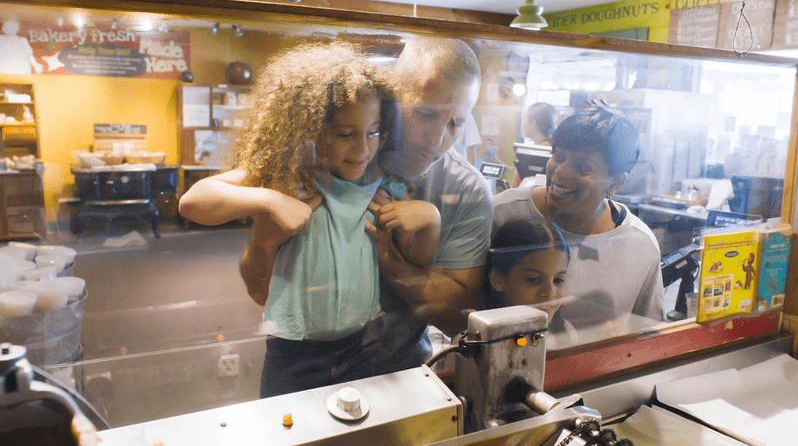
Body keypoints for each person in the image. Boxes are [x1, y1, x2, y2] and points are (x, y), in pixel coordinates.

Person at [178, 41, 441, 398]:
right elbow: (193, 202)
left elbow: (419, 256)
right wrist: (268, 198)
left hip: (364, 346)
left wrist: (431, 220)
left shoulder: (382, 179)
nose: (363, 148)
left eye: (374, 131)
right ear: (311, 129)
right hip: (294, 352)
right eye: (345, 134)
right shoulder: (288, 176)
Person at [360, 37, 493, 375]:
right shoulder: (348, 149)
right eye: (425, 114)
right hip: (307, 361)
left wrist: (389, 257)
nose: (437, 140)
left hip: (402, 367)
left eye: (455, 123)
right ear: (392, 99)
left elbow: (454, 318)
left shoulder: (465, 188)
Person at [493, 102, 664, 321]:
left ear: (616, 183)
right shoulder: (502, 214)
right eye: (559, 156)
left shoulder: (640, 245)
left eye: (582, 167)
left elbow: (649, 333)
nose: (561, 172)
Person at [484, 218, 569, 324]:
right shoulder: (475, 338)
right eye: (534, 279)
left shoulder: (567, 333)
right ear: (498, 280)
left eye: (558, 280)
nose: (550, 293)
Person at [512, 102, 559, 188]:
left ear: (533, 123)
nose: (522, 124)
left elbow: (515, 190)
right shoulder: (558, 151)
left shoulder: (526, 155)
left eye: (524, 119)